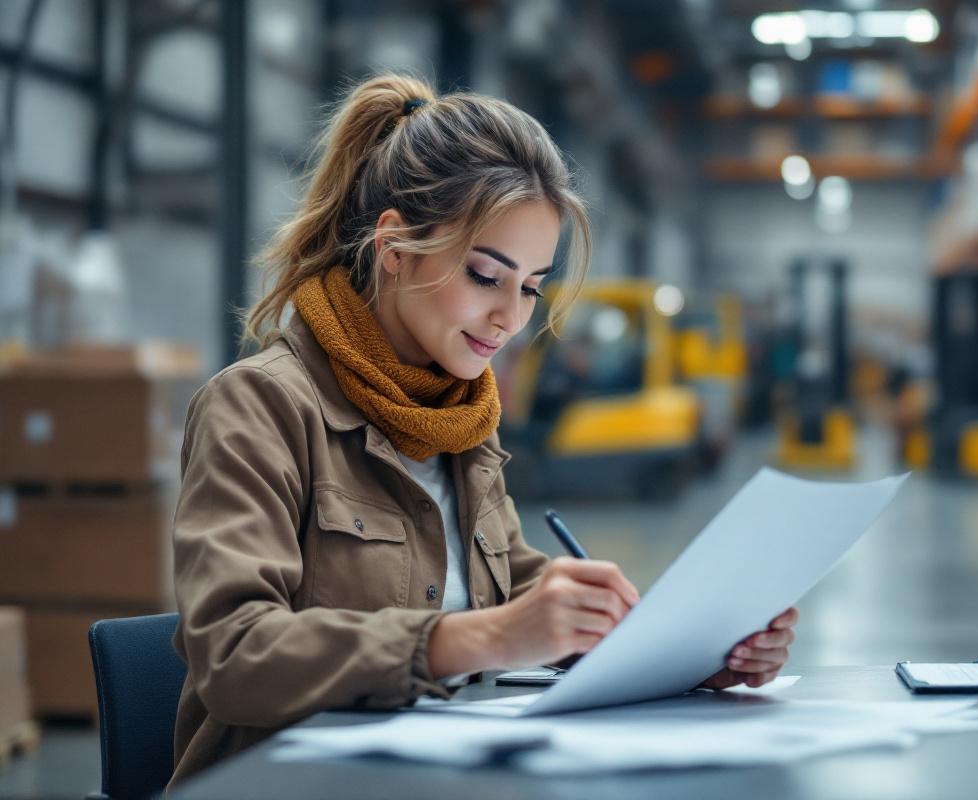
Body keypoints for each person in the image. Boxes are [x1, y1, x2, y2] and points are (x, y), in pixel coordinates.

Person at [168, 74, 799, 786]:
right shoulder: (260, 407)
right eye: (486, 274)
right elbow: (233, 654)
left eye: (530, 286)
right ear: (395, 246)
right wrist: (485, 638)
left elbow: (504, 586)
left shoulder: (462, 413)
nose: (510, 316)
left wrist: (679, 649)